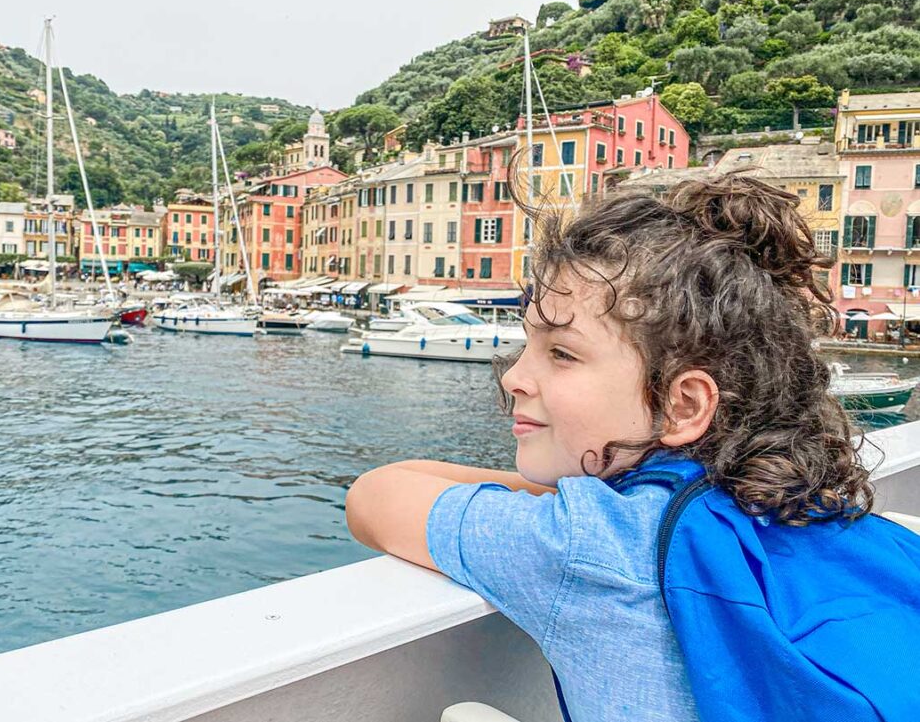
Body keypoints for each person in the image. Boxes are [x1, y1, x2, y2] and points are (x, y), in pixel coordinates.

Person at [346, 174, 883, 721]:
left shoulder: (587, 541)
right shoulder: (813, 508)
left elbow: (375, 495)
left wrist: (560, 497)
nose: (513, 378)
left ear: (684, 406)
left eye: (562, 353)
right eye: (527, 343)